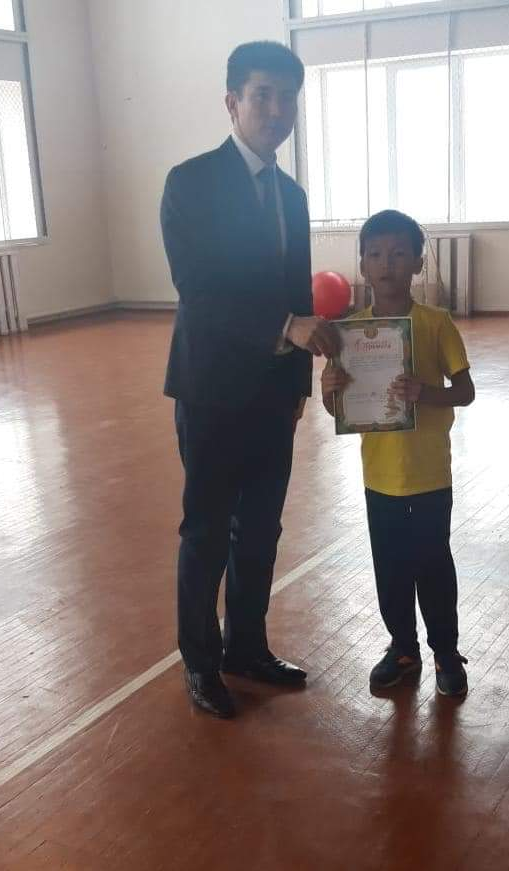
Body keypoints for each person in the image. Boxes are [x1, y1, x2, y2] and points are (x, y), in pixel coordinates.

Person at [160, 41, 337, 718]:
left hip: (272, 395)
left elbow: (298, 292)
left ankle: (247, 647)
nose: (275, 109)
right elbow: (197, 290)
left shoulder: (291, 196)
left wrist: (297, 386)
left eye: (287, 97)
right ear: (232, 102)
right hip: (210, 389)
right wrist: (285, 327)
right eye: (262, 95)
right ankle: (202, 664)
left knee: (260, 529)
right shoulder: (190, 182)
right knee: (206, 530)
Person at [321, 209, 475, 697]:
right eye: (375, 254)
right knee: (390, 568)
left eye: (398, 254)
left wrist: (425, 393)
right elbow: (336, 407)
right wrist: (329, 389)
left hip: (429, 475)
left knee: (433, 565)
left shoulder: (436, 323)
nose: (386, 264)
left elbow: (466, 391)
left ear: (418, 264)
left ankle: (446, 652)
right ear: (362, 265)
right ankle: (403, 648)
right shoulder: (348, 333)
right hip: (380, 477)